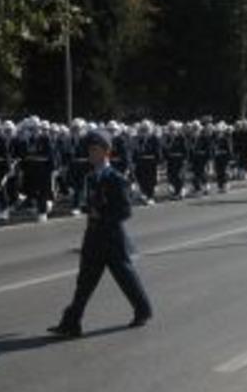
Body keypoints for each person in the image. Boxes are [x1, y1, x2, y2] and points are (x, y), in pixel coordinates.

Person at [48, 129, 153, 338]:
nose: (91, 154)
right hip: (93, 237)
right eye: (90, 150)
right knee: (84, 282)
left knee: (126, 278)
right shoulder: (91, 176)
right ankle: (72, 322)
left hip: (112, 238)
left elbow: (125, 211)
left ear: (106, 152)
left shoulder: (116, 179)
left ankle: (143, 310)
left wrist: (102, 215)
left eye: (95, 150)